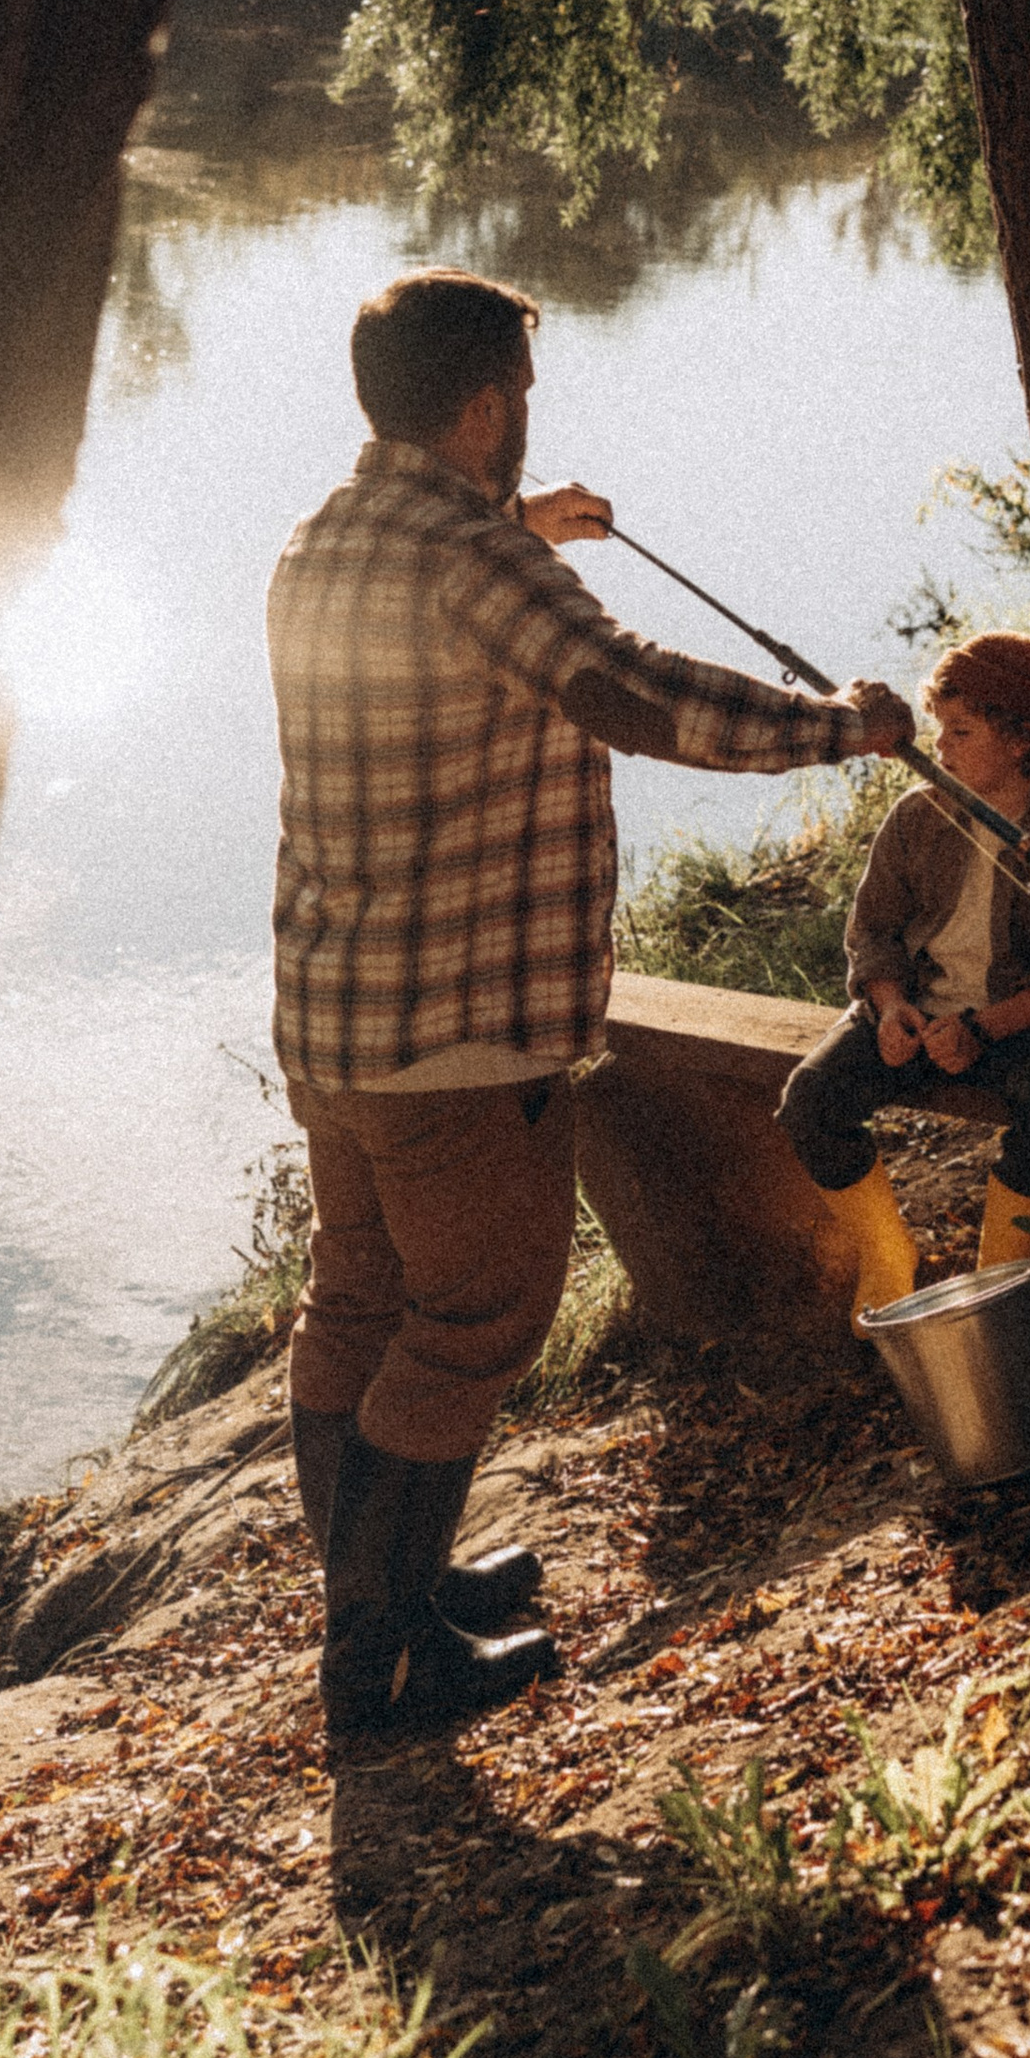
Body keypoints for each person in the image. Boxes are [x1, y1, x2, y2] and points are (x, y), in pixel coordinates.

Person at [266, 265, 911, 1754]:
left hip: (335, 1021)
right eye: (524, 396)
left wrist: (520, 526)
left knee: (354, 1302)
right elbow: (633, 691)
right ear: (488, 406)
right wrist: (843, 731)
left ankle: (389, 1593)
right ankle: (385, 1661)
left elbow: (439, 603)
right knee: (471, 1321)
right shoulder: (475, 565)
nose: (530, 418)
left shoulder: (328, 538)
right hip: (458, 1037)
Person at [778, 632, 1030, 1305]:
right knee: (809, 1104)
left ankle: (1004, 1285)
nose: (940, 749)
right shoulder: (917, 816)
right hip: (919, 1017)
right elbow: (873, 929)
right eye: (941, 731)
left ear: (1021, 740)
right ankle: (886, 1256)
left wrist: (984, 1029)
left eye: (960, 732)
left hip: (1017, 1026)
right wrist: (891, 1005)